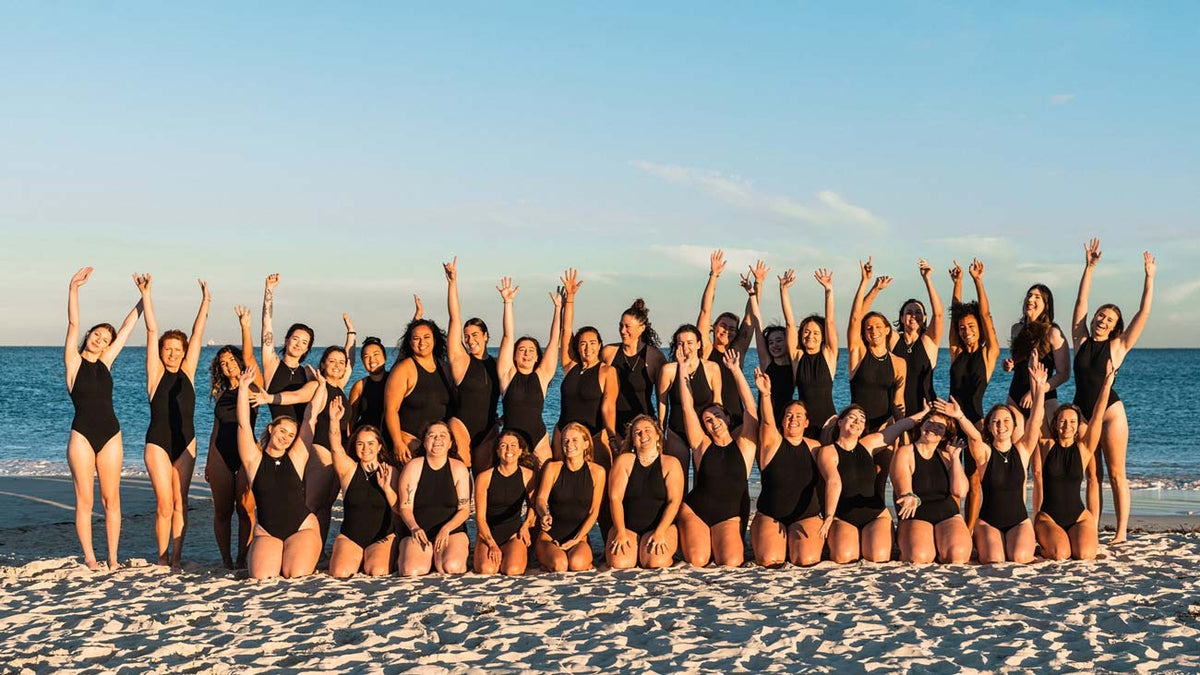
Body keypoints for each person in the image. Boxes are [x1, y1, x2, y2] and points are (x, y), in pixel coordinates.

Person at [1072, 242, 1155, 543]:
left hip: (1109, 414)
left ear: (1115, 326)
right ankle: (1091, 529)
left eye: (1109, 318)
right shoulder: (1080, 339)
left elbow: (1143, 313)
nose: (1102, 319)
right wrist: (1090, 267)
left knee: (1117, 474)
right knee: (1092, 476)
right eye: (1100, 315)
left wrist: (1149, 277)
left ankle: (1120, 533)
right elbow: (1081, 301)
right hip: (1082, 412)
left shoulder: (1118, 346)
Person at [64, 267, 142, 570]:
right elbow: (73, 322)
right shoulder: (73, 361)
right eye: (97, 334)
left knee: (113, 500)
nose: (101, 340)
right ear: (89, 336)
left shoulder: (107, 362)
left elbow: (126, 328)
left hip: (111, 434)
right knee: (86, 502)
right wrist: (74, 288)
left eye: (105, 339)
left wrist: (143, 297)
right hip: (81, 435)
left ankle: (112, 557)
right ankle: (90, 558)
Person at [137, 274, 210, 568]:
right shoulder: (154, 375)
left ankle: (177, 559)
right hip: (157, 443)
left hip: (186, 444)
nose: (172, 353)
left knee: (181, 504)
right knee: (164, 505)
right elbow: (152, 329)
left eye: (177, 349)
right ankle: (162, 557)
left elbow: (198, 331)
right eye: (167, 349)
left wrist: (206, 300)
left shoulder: (189, 371)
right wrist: (146, 294)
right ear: (160, 352)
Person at [235, 365, 321, 579]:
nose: (286, 437)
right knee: (262, 577)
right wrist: (243, 388)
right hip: (267, 531)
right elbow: (243, 424)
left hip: (302, 527)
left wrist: (322, 385)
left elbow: (311, 416)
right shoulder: (254, 460)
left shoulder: (297, 458)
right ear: (271, 429)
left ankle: (296, 552)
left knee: (295, 573)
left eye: (291, 435)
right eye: (282, 431)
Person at [675, 349, 758, 567]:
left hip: (728, 516)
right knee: (697, 560)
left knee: (730, 561)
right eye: (708, 420)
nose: (714, 421)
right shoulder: (702, 446)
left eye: (718, 415)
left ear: (728, 418)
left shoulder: (746, 445)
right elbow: (687, 408)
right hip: (696, 511)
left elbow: (751, 409)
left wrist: (736, 371)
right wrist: (682, 370)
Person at [964, 361, 1048, 564]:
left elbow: (1035, 422)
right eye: (996, 422)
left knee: (1019, 557)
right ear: (990, 427)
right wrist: (959, 415)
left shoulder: (1022, 450)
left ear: (1014, 425)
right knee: (995, 559)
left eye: (1006, 421)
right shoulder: (984, 454)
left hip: (1019, 521)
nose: (1001, 426)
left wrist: (1039, 390)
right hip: (988, 523)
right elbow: (974, 437)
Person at [820, 403, 926, 564]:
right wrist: (828, 516)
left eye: (862, 420)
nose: (857, 422)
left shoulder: (868, 444)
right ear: (840, 422)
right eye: (852, 417)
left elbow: (900, 426)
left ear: (863, 429)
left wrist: (925, 413)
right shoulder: (828, 451)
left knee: (878, 556)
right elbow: (833, 482)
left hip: (875, 514)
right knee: (844, 557)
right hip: (842, 516)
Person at [1034, 360, 1116, 561]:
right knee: (1059, 555)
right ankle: (1046, 547)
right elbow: (1036, 418)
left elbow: (1097, 417)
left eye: (1072, 422)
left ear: (1078, 424)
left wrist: (1107, 384)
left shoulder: (1084, 449)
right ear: (1055, 424)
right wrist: (1037, 387)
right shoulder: (1047, 445)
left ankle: (1072, 540)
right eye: (1062, 421)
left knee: (1085, 554)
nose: (1067, 426)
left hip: (1079, 517)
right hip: (1048, 518)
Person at [205, 305, 263, 569]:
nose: (227, 365)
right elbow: (216, 427)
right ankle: (226, 559)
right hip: (220, 450)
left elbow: (250, 357)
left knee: (245, 508)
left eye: (231, 360)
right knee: (222, 510)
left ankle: (243, 557)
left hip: (246, 451)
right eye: (223, 362)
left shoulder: (252, 384)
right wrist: (207, 459)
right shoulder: (221, 393)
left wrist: (245, 327)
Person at [751, 372, 828, 567]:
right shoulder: (772, 443)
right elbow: (767, 422)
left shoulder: (815, 447)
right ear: (782, 420)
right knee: (769, 560)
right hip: (771, 514)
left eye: (798, 416)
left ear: (806, 422)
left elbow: (831, 478)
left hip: (807, 515)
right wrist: (766, 394)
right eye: (788, 415)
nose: (793, 419)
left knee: (805, 560)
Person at [890, 399, 971, 564]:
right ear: (921, 426)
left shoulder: (947, 456)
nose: (933, 427)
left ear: (944, 436)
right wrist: (909, 496)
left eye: (940, 427)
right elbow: (903, 487)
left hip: (947, 514)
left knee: (957, 556)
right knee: (919, 556)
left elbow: (960, 491)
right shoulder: (905, 452)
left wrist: (955, 458)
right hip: (916, 514)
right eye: (930, 422)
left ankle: (941, 544)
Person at [324, 398, 397, 578]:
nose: (366, 449)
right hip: (351, 536)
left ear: (379, 446)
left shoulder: (391, 471)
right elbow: (335, 447)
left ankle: (374, 556)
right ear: (355, 446)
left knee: (377, 571)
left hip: (383, 536)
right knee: (340, 573)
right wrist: (334, 420)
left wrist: (387, 488)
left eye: (371, 443)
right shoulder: (348, 470)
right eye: (360, 444)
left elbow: (400, 509)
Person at [442, 257, 503, 472]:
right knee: (462, 471)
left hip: (489, 429)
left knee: (483, 477)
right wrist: (452, 283)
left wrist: (504, 419)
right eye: (466, 336)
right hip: (462, 425)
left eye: (475, 335)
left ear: (486, 336)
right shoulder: (461, 361)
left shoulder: (498, 365)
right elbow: (454, 318)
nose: (470, 340)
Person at [555, 268, 619, 468]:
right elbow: (565, 331)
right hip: (563, 433)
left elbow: (608, 407)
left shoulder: (607, 371)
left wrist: (611, 435)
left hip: (594, 435)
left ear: (600, 345)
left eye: (592, 343)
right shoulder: (569, 366)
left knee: (598, 484)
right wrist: (570, 299)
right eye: (583, 343)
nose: (587, 348)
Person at [496, 278, 563, 467]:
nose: (526, 353)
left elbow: (554, 341)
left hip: (538, 437)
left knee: (543, 482)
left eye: (531, 350)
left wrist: (558, 309)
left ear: (537, 358)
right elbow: (508, 335)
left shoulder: (542, 376)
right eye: (522, 350)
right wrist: (508, 303)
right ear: (514, 356)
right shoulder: (507, 374)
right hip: (511, 438)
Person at [385, 313, 466, 465]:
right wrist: (397, 443)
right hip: (409, 443)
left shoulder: (445, 368)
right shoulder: (403, 370)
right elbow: (391, 410)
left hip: (439, 446)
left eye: (427, 337)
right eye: (416, 338)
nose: (422, 342)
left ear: (435, 339)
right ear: (410, 342)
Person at [606, 415, 684, 569]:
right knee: (619, 563)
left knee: (655, 562)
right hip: (627, 527)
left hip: (661, 526)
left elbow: (674, 502)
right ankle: (634, 548)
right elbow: (615, 499)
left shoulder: (670, 463)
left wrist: (661, 532)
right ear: (633, 440)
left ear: (657, 435)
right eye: (637, 432)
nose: (643, 435)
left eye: (647, 430)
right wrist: (620, 531)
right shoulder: (624, 461)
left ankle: (647, 548)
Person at [395, 421, 472, 576]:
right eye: (432, 435)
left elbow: (464, 509)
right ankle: (424, 555)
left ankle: (438, 555)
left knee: (451, 567)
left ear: (450, 443)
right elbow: (405, 507)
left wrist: (446, 529)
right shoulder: (413, 466)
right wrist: (414, 528)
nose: (437, 439)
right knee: (413, 570)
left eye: (443, 436)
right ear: (424, 443)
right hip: (418, 530)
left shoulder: (458, 468)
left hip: (451, 531)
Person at [534, 422, 607, 572]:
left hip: (579, 537)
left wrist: (577, 539)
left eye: (575, 440)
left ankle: (581, 553)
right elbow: (540, 499)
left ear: (586, 443)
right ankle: (547, 559)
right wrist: (543, 514)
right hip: (550, 536)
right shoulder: (553, 468)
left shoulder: (597, 472)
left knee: (577, 565)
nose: (569, 444)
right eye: (565, 441)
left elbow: (594, 511)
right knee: (559, 565)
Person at [656, 324, 723, 486]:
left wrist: (720, 433)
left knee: (705, 479)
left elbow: (718, 403)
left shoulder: (712, 368)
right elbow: (662, 405)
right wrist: (661, 434)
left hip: (704, 432)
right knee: (678, 480)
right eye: (681, 343)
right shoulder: (669, 370)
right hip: (676, 432)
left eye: (690, 342)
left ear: (699, 344)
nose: (685, 347)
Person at [847, 257, 907, 431]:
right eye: (869, 328)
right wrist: (870, 285)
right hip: (857, 426)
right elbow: (855, 318)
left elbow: (898, 402)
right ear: (864, 333)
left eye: (879, 326)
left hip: (885, 428)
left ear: (888, 329)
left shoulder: (899, 363)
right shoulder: (859, 353)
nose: (874, 331)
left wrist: (902, 432)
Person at [779, 267, 838, 440]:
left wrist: (828, 290)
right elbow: (790, 324)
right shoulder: (797, 357)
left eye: (815, 333)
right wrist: (783, 290)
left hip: (829, 423)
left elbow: (831, 321)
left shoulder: (829, 355)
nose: (810, 335)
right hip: (803, 424)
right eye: (806, 331)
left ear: (822, 337)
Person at [697, 250, 753, 431]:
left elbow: (750, 320)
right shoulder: (705, 349)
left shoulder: (736, 353)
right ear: (714, 327)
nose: (726, 331)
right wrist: (714, 276)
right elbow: (705, 311)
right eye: (723, 326)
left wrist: (754, 291)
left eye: (731, 328)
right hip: (711, 418)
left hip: (736, 417)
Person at [473, 430, 537, 575]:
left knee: (512, 570)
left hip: (514, 533)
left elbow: (533, 506)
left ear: (520, 451)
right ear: (497, 450)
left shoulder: (528, 475)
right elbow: (480, 518)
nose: (509, 449)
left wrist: (526, 526)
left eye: (513, 445)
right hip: (488, 533)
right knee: (486, 570)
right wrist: (491, 544)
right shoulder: (484, 477)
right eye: (503, 445)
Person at [1004, 284, 1070, 421]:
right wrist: (1009, 365)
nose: (1030, 299)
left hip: (1045, 398)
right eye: (1029, 295)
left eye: (1037, 297)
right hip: (1015, 397)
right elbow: (1019, 363)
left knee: (1046, 441)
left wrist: (1036, 391)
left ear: (1046, 305)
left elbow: (1064, 374)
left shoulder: (1053, 332)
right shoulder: (1016, 329)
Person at [889, 260, 945, 419]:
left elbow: (939, 315)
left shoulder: (929, 342)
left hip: (926, 410)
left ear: (925, 317)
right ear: (901, 318)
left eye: (918, 312)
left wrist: (927, 279)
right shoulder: (893, 340)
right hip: (896, 409)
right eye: (909, 312)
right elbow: (870, 323)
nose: (913, 315)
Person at [601, 299, 667, 434]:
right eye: (621, 326)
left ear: (642, 328)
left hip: (643, 426)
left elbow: (663, 399)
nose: (623, 331)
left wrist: (661, 430)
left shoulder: (655, 357)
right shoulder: (609, 352)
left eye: (628, 327)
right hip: (612, 425)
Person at [259, 273, 319, 423]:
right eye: (295, 339)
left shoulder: (308, 373)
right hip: (279, 436)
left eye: (304, 342)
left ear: (307, 349)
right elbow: (267, 326)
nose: (299, 344)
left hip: (303, 439)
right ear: (287, 340)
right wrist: (269, 291)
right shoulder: (272, 364)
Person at [745, 261, 795, 426]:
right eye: (771, 342)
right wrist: (753, 293)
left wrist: (784, 290)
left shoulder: (794, 365)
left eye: (779, 340)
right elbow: (758, 328)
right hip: (764, 423)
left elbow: (790, 324)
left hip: (786, 423)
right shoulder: (767, 363)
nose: (774, 345)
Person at [348, 336, 388, 432]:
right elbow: (351, 419)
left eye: (376, 354)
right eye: (366, 357)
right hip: (366, 439)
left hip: (391, 438)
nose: (371, 360)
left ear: (385, 357)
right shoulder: (360, 386)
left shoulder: (394, 380)